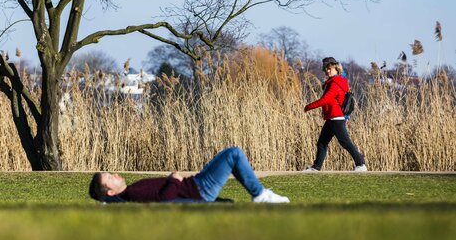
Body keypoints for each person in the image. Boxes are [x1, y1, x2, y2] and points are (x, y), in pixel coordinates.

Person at [88, 147, 290, 203]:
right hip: (200, 189)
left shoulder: (132, 190)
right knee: (233, 154)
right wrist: (174, 181)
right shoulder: (134, 192)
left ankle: (260, 193)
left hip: (196, 184)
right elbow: (165, 198)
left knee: (228, 156)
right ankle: (260, 195)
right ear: (111, 192)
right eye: (110, 178)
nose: (115, 174)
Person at [303, 57, 367, 172]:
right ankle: (316, 167)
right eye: (326, 69)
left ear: (336, 68)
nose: (327, 71)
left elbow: (325, 100)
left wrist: (309, 106)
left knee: (345, 142)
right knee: (322, 143)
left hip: (336, 118)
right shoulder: (332, 82)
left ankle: (361, 164)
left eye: (330, 68)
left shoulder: (335, 83)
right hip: (332, 118)